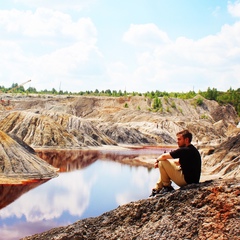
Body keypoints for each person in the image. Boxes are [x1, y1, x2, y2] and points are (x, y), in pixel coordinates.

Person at [150, 129, 201, 197]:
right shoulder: (192, 149)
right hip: (192, 180)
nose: (177, 142)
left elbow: (164, 156)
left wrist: (157, 161)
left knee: (162, 162)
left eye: (179, 139)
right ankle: (157, 188)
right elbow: (177, 162)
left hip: (187, 182)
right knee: (164, 164)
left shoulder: (185, 150)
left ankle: (167, 187)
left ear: (186, 140)